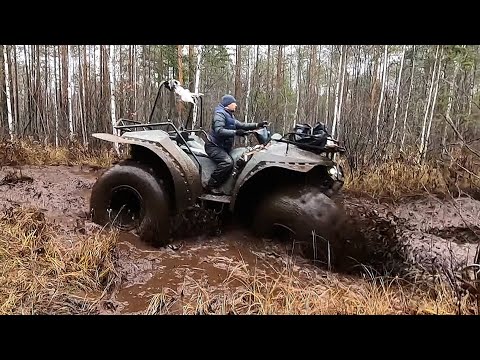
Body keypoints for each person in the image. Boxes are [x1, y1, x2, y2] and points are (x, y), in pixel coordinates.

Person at [205, 94, 268, 194]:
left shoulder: (228, 115)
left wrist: (257, 125)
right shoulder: (219, 115)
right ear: (228, 104)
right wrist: (236, 132)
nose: (236, 105)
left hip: (222, 147)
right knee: (227, 163)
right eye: (234, 103)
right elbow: (219, 130)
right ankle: (211, 185)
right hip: (213, 146)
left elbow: (241, 125)